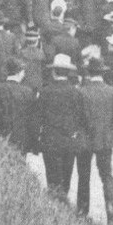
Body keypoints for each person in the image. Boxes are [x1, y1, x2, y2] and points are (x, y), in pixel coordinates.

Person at [76, 57, 113, 225]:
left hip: (85, 139)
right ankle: (111, 212)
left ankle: (82, 211)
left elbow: (77, 117)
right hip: (105, 139)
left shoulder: (81, 91)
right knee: (107, 175)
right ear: (103, 72)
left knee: (84, 175)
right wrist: (109, 127)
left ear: (88, 72)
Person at [37, 53, 83, 199]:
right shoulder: (75, 93)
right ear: (69, 73)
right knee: (66, 174)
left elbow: (38, 117)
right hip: (69, 139)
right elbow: (80, 116)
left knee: (52, 175)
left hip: (49, 137)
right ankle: (63, 200)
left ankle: (53, 202)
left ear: (53, 71)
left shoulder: (45, 91)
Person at [0, 57, 39, 155]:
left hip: (1, 135)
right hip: (21, 138)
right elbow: (33, 120)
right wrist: (34, 142)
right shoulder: (28, 92)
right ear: (19, 72)